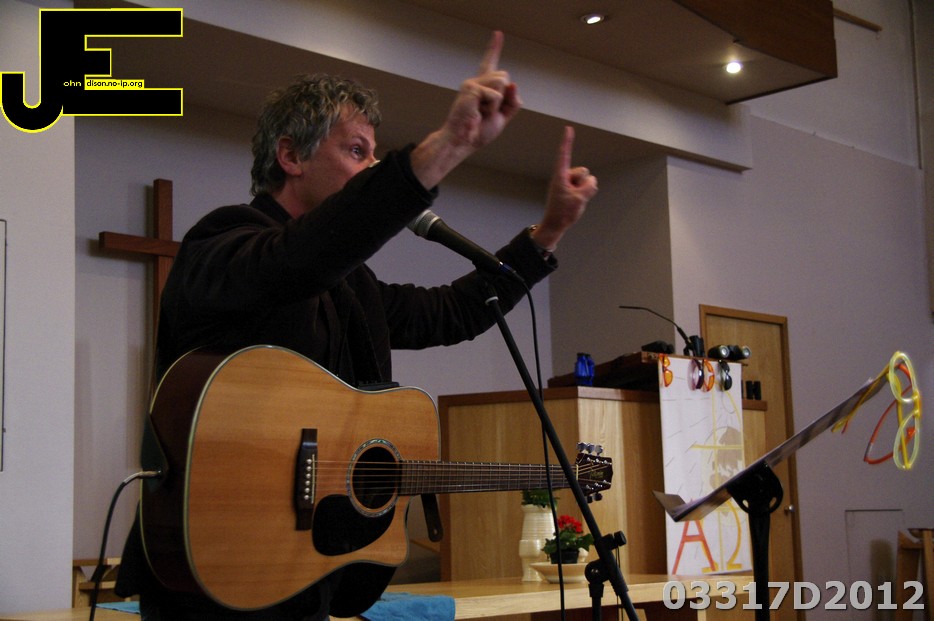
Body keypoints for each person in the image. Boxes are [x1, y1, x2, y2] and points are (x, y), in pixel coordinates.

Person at [115, 31, 598, 620]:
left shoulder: (353, 288)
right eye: (357, 151)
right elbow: (300, 259)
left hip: (304, 573)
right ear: (291, 157)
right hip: (214, 571)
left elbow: (453, 311)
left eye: (375, 156)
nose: (371, 167)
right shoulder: (223, 242)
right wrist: (447, 147)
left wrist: (548, 232)